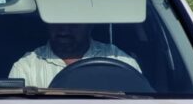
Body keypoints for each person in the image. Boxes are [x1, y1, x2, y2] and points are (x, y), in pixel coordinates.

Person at [9, 24, 141, 88]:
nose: (64, 30)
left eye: (73, 23)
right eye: (56, 22)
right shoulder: (26, 67)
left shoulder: (118, 60)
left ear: (90, 26)